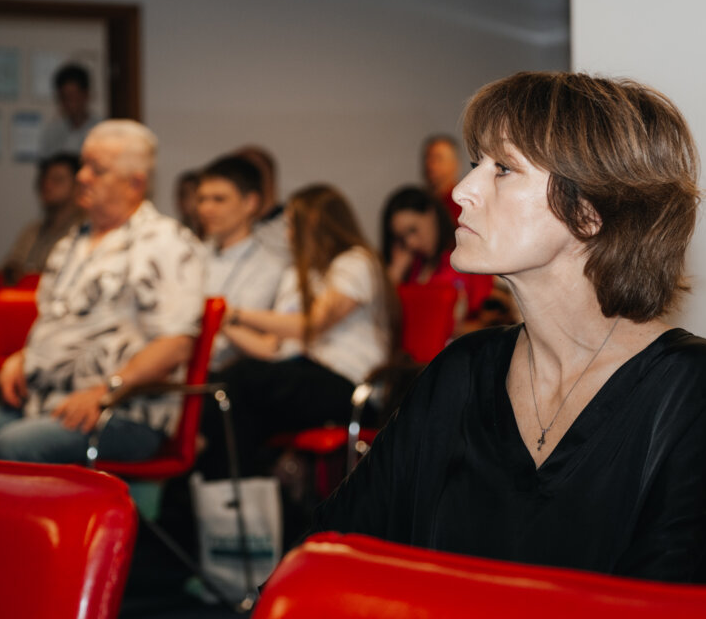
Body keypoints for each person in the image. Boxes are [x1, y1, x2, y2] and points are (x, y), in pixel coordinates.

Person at [312, 72, 706, 586]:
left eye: (502, 169)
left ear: (588, 211)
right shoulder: (461, 370)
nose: (462, 191)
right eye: (476, 164)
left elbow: (660, 610)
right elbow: (325, 553)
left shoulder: (687, 381)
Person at [0, 120, 206, 464]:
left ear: (135, 183)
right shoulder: (71, 243)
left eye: (97, 169)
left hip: (123, 411)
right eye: (83, 165)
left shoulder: (166, 243)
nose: (82, 176)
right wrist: (21, 358)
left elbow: (175, 345)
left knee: (11, 449)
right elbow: (57, 323)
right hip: (40, 402)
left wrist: (105, 391)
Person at [195, 184, 396, 479]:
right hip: (306, 373)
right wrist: (218, 323)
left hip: (349, 384)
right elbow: (271, 347)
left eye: (292, 225)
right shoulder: (299, 275)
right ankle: (236, 494)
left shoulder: (356, 262)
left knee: (241, 378)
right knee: (222, 393)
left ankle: (193, 463)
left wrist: (234, 313)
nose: (288, 235)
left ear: (315, 225)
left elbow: (312, 324)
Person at [195, 155, 287, 371]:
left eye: (219, 199)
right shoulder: (192, 253)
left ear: (250, 203)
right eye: (201, 199)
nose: (206, 209)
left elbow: (263, 341)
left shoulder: (271, 266)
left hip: (233, 374)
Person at [381, 185, 495, 322]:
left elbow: (487, 317)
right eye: (401, 238)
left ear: (431, 214)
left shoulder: (468, 256)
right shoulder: (412, 266)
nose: (410, 243)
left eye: (413, 230)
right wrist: (395, 273)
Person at [0, 153, 83, 285]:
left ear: (79, 186)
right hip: (25, 295)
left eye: (57, 180)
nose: (47, 185)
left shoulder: (86, 230)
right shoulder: (31, 231)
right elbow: (9, 266)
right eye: (44, 179)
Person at [39, 63, 101, 158]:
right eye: (64, 98)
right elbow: (45, 163)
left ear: (86, 95)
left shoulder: (100, 130)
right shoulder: (52, 132)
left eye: (73, 97)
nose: (69, 103)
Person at [421, 133, 464, 222]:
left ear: (455, 164)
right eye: (427, 158)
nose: (430, 165)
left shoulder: (463, 204)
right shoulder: (420, 202)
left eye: (438, 159)